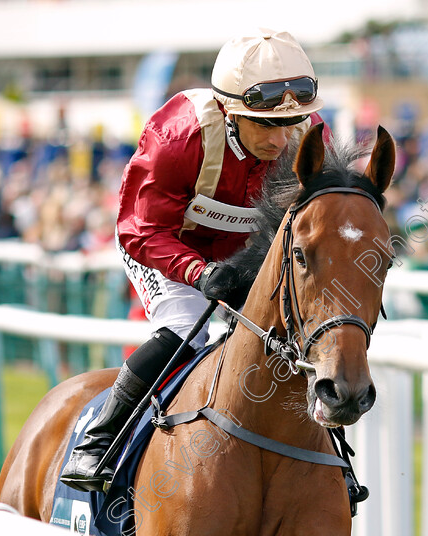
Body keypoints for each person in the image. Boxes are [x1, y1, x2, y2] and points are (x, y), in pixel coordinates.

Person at [60, 29, 329, 491]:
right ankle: (99, 441)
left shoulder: (309, 135)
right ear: (228, 111)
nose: (282, 140)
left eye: (291, 123)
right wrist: (198, 273)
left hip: (242, 252)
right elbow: (141, 230)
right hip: (167, 248)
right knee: (187, 330)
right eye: (264, 124)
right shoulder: (177, 136)